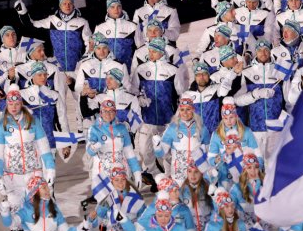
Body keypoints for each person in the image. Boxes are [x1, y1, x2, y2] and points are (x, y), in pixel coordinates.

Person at [0, 84, 56, 231]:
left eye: (16, 103)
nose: (13, 107)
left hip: (33, 175)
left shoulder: (33, 122)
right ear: (6, 105)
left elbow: (44, 149)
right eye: (10, 104)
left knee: (36, 212)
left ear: (21, 103)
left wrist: (50, 171)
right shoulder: (1, 125)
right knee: (15, 212)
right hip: (11, 176)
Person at [131, 37, 187, 186]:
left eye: (154, 51)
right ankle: (156, 175)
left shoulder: (173, 70)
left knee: (168, 153)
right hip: (147, 119)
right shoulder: (140, 70)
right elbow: (133, 90)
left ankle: (173, 179)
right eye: (150, 51)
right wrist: (139, 98)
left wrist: (178, 116)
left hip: (167, 119)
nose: (151, 53)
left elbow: (181, 94)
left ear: (162, 52)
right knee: (144, 150)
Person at [14, 0, 92, 76]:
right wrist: (23, 12)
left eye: (70, 3)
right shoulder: (52, 20)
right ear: (60, 5)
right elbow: (32, 24)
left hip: (76, 66)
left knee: (76, 88)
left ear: (73, 5)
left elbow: (90, 42)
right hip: (57, 67)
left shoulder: (82, 22)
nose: (67, 6)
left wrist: (84, 60)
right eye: (64, 3)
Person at [153, 94, 211, 185]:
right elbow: (161, 153)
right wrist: (157, 146)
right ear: (179, 111)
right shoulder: (172, 128)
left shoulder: (202, 128)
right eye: (182, 109)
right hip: (179, 173)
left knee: (196, 197)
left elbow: (208, 153)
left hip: (196, 171)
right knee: (180, 197)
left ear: (193, 110)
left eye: (188, 109)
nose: (185, 113)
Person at [86, 99, 142, 186]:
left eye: (111, 111)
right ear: (101, 112)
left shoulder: (122, 128)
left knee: (122, 198)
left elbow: (130, 154)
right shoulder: (94, 129)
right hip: (102, 173)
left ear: (115, 112)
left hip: (121, 173)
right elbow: (89, 152)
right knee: (106, 199)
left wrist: (137, 173)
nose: (108, 114)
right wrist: (94, 147)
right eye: (105, 111)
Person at [20, 62, 71, 158]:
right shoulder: (22, 95)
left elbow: (62, 120)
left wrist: (65, 144)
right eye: (39, 75)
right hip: (29, 143)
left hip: (49, 142)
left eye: (45, 74)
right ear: (32, 75)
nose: (43, 77)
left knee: (50, 172)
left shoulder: (54, 95)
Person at [94, 0, 138, 71]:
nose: (116, 10)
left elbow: (140, 48)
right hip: (106, 70)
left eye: (118, 6)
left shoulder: (132, 26)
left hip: (127, 69)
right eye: (112, 7)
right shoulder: (100, 27)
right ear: (107, 9)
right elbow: (94, 50)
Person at [0, 26, 25, 113]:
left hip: (25, 103)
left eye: (13, 34)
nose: (11, 37)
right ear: (2, 39)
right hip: (5, 105)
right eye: (7, 35)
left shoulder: (25, 55)